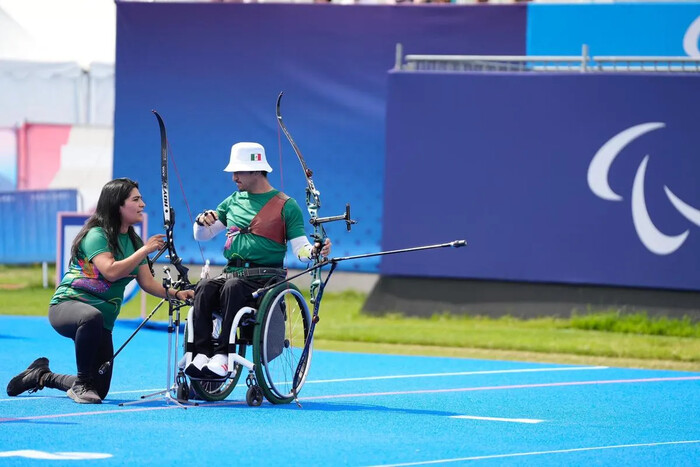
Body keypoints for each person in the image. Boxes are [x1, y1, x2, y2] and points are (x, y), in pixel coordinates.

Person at [5, 178, 195, 404]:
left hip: (100, 322)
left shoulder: (133, 241)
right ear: (117, 205)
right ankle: (82, 385)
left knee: (100, 390)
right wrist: (144, 250)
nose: (143, 204)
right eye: (136, 199)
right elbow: (111, 271)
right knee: (90, 321)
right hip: (67, 307)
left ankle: (42, 376)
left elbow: (147, 283)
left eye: (141, 199)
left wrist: (177, 294)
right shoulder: (97, 235)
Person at [186, 141, 331, 379]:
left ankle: (223, 357)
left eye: (239, 171)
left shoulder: (287, 206)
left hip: (263, 281)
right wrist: (202, 222)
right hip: (231, 275)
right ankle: (201, 355)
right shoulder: (233, 201)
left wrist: (315, 251)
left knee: (233, 287)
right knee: (203, 286)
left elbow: (300, 248)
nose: (233, 177)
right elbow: (202, 236)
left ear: (256, 170)